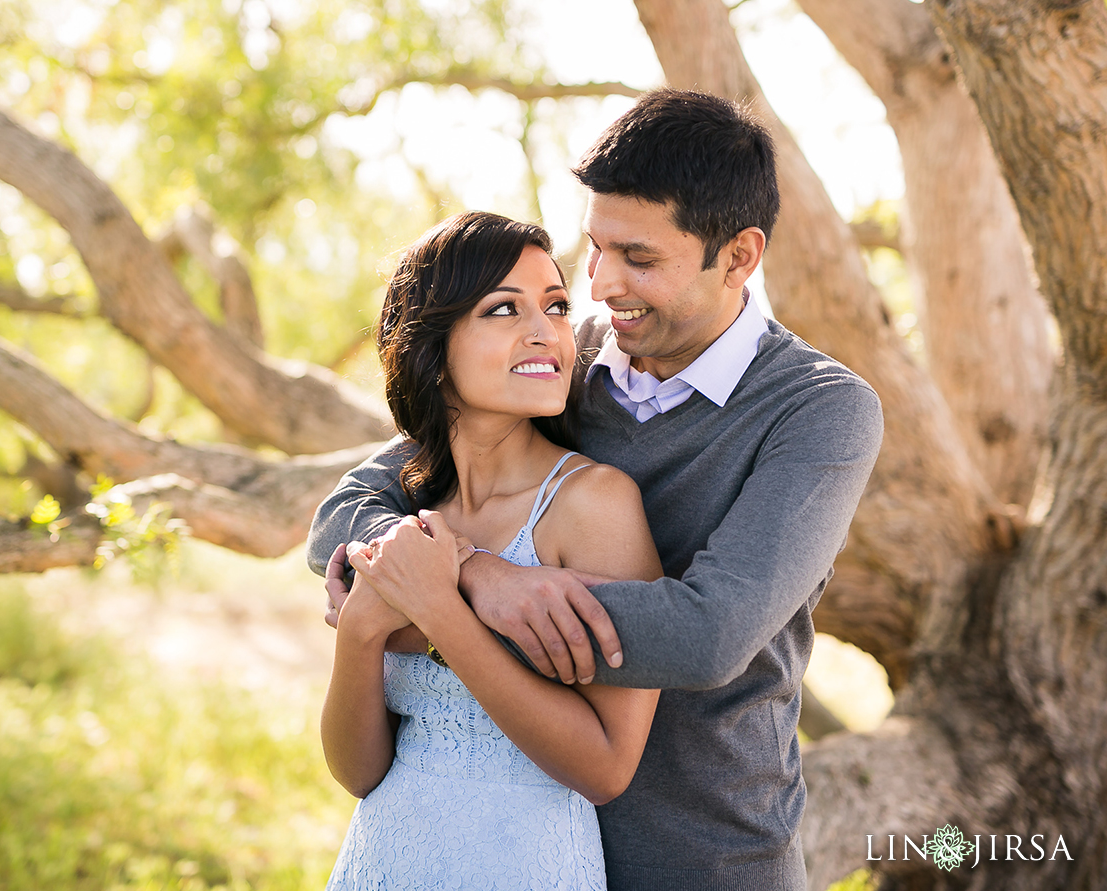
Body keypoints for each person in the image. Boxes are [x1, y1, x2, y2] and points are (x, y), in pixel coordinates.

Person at [309, 89, 884, 890]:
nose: (602, 285)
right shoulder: (560, 361)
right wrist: (480, 573)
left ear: (740, 255)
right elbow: (355, 503)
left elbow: (706, 634)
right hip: (503, 843)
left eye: (639, 258)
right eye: (595, 249)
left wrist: (437, 602)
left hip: (698, 853)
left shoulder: (819, 409)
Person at [320, 210, 664, 889]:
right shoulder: (407, 515)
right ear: (431, 345)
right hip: (382, 860)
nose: (547, 331)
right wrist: (361, 627)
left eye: (557, 305)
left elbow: (606, 767)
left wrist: (440, 613)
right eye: (504, 308)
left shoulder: (596, 504)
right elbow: (358, 772)